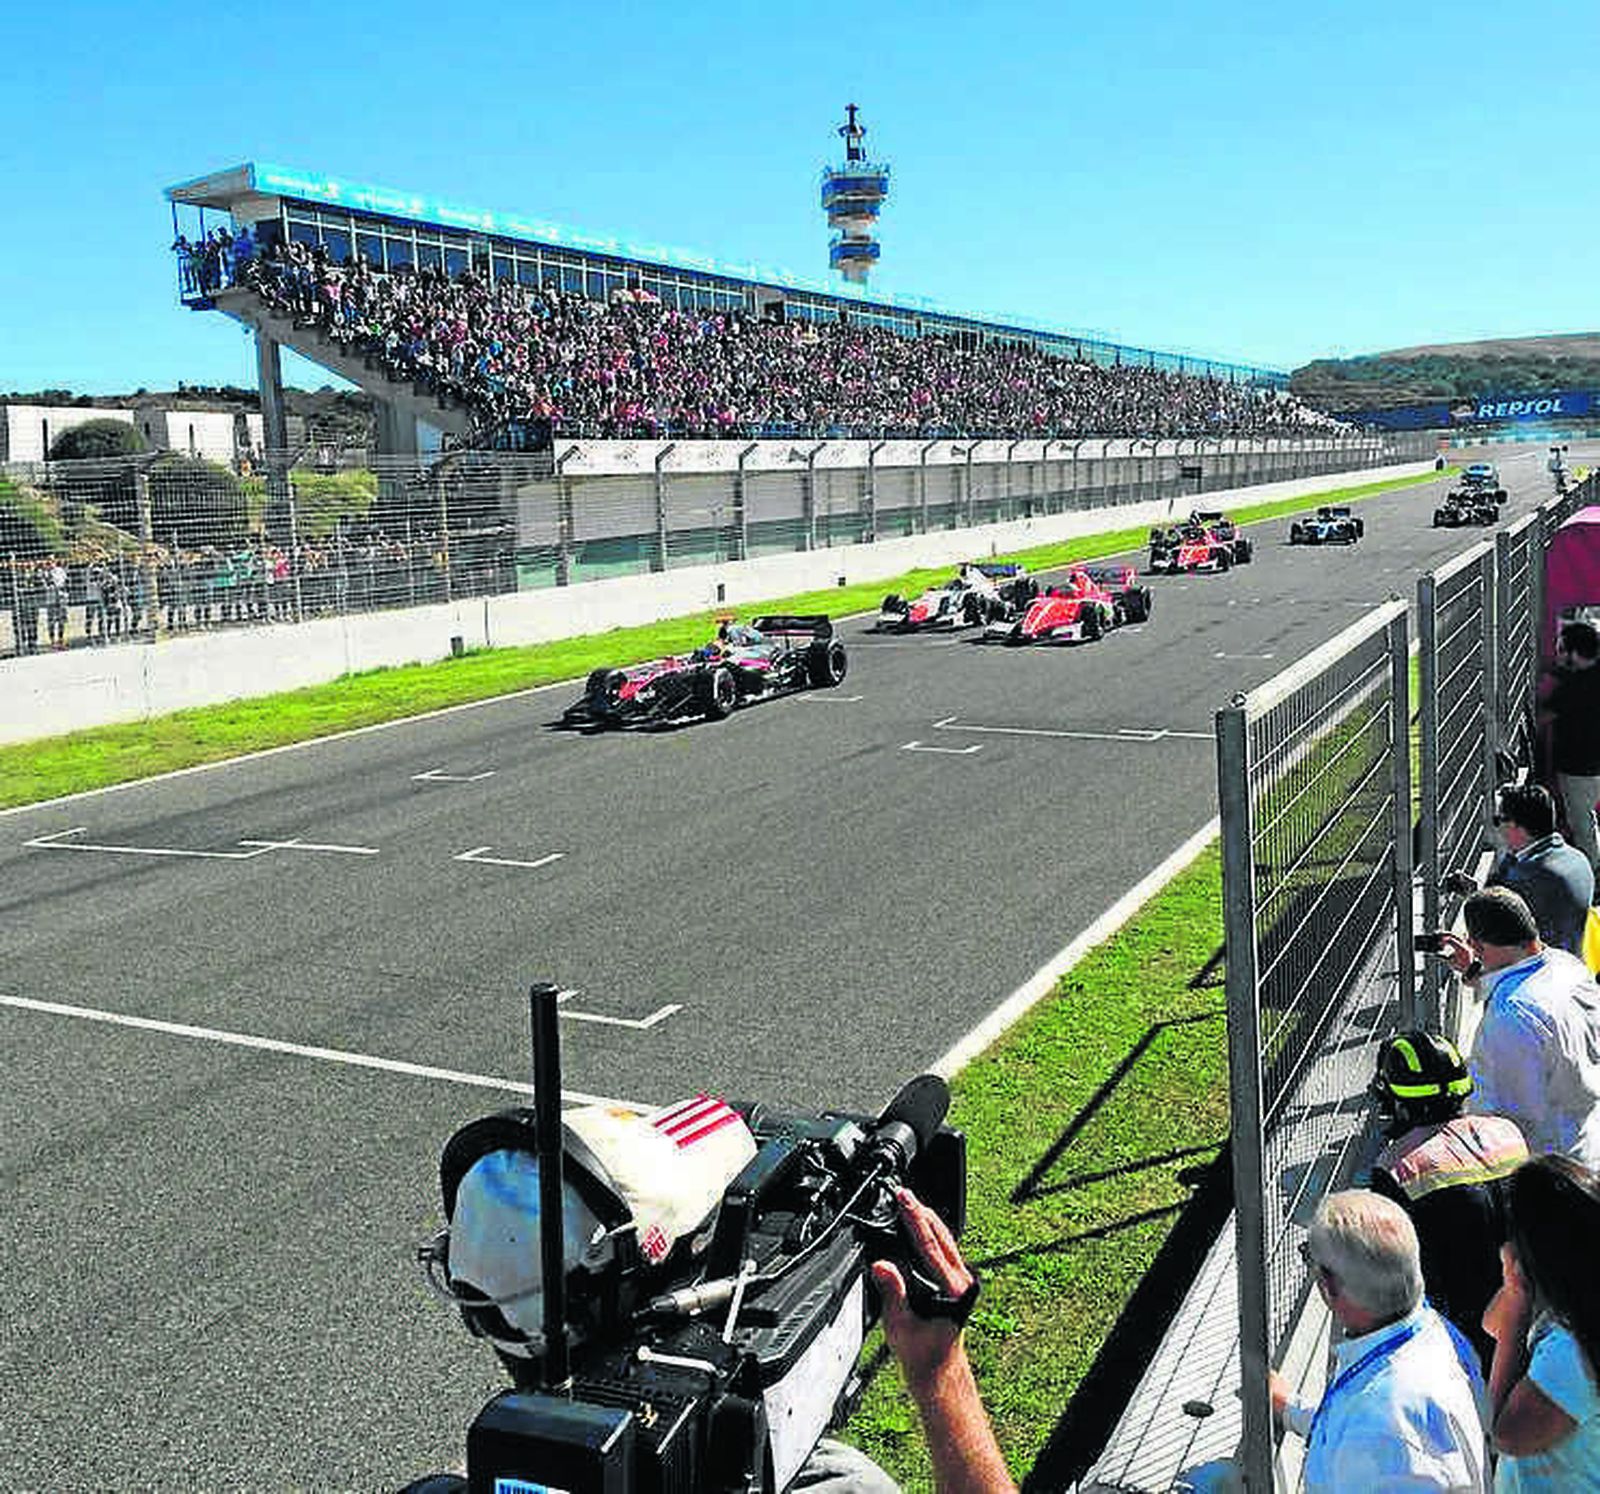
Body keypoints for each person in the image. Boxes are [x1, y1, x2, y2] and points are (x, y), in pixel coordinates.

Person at [1270, 1190, 1488, 1492]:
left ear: (1329, 1285)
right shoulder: (1436, 1334)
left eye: (1309, 1255)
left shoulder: (1379, 1431)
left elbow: (1376, 1436)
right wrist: (1291, 1410)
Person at [1368, 1029, 1529, 1369]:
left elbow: (1394, 1272)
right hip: (1528, 1313)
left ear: (1399, 1102)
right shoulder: (1507, 1132)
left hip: (1459, 1340)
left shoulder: (1396, 1168)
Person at [1436, 887, 1600, 1167]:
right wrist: (1474, 970)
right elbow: (1527, 985)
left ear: (1477, 946)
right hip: (1586, 1144)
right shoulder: (1569, 967)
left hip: (1545, 1169)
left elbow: (1511, 1119)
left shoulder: (1511, 1016)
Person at [1481, 1155, 1600, 1489]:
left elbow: (1503, 1435)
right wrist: (1514, 1287)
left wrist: (1519, 1299)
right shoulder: (1575, 1305)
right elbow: (1492, 1324)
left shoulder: (1570, 1350)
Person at [1449, 784, 1594, 957]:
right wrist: (1478, 894)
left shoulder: (1528, 876)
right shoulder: (1577, 857)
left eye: (1499, 820)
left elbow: (1492, 932)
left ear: (1515, 826)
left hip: (1540, 969)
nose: (1498, 829)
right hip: (1571, 961)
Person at [1540, 621, 1600, 873]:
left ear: (1574, 653)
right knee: (1588, 819)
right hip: (1594, 765)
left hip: (1577, 768)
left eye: (1563, 649)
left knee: (1581, 824)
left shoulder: (1571, 688)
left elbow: (1545, 716)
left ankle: (1591, 874)